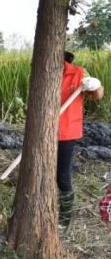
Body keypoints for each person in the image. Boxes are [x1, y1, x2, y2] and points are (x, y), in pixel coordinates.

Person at [57, 51, 104, 228]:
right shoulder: (43, 73)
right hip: (44, 132)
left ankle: (64, 221)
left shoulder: (79, 73)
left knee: (62, 176)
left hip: (67, 132)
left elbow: (98, 94)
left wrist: (95, 85)